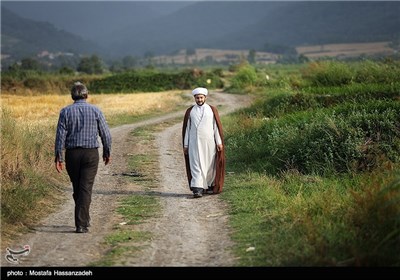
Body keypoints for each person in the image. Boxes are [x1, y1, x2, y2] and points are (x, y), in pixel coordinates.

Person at [54, 81, 112, 233]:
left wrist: (59, 157)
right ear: (86, 95)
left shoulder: (65, 112)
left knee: (78, 188)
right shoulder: (96, 110)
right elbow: (105, 133)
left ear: (72, 96)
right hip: (90, 154)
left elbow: (60, 136)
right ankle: (82, 223)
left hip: (72, 155)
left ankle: (83, 219)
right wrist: (107, 151)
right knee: (85, 188)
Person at [182, 87, 225, 198]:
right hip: (194, 144)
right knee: (195, 164)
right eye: (197, 98)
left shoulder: (212, 110)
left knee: (209, 164)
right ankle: (197, 189)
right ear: (194, 98)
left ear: (205, 97)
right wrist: (185, 145)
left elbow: (216, 127)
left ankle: (209, 185)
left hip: (209, 143)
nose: (199, 100)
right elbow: (187, 129)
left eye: (201, 97)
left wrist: (219, 142)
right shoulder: (190, 111)